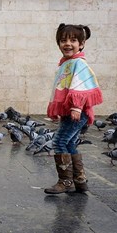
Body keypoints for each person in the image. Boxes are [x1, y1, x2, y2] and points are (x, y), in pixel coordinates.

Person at [45, 23, 103, 194]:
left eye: (73, 40)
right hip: (71, 112)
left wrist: (76, 107)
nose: (67, 44)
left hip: (77, 112)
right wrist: (59, 110)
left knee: (59, 142)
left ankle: (65, 181)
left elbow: (81, 86)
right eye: (63, 40)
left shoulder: (79, 63)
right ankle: (80, 180)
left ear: (81, 44)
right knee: (69, 143)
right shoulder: (66, 63)